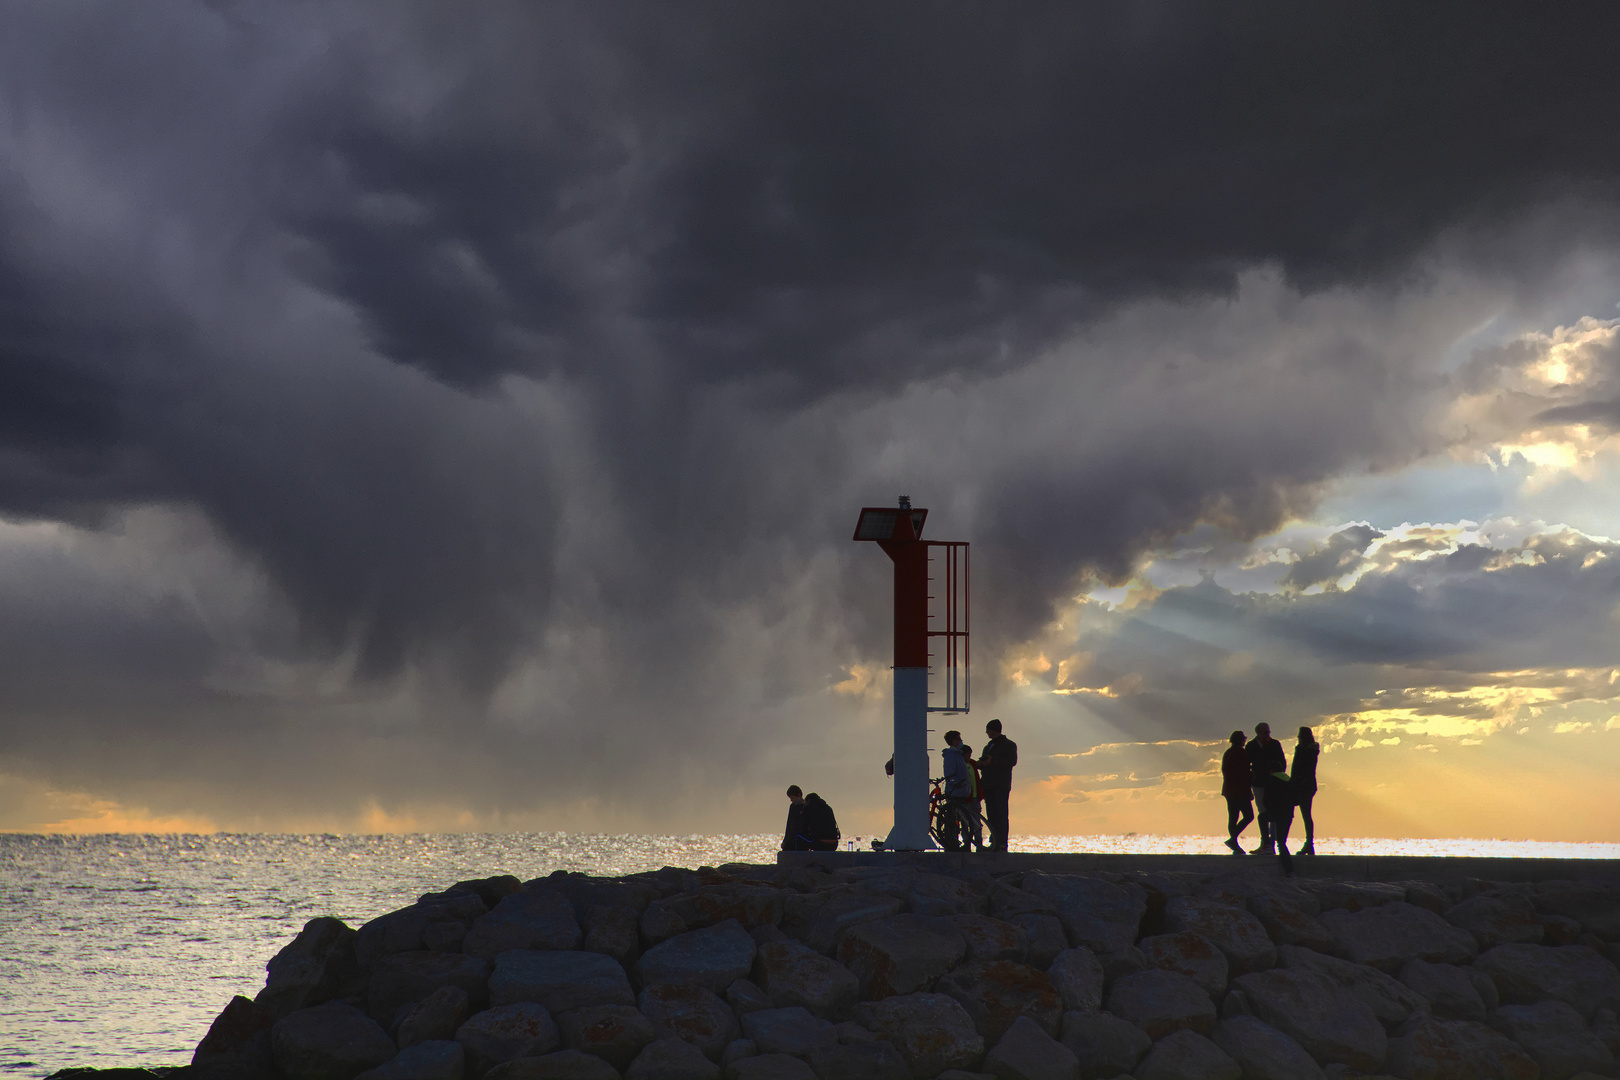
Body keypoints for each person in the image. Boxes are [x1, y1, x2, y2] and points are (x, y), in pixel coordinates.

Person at [1245, 722, 1286, 855]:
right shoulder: (1251, 746)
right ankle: (1266, 844)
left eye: (1268, 732)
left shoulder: (1274, 744)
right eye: (1265, 732)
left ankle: (1271, 844)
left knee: (1271, 813)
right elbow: (1246, 764)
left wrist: (1276, 777)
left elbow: (1282, 763)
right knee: (1262, 812)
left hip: (1273, 785)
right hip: (1258, 784)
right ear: (1258, 732)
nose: (1267, 735)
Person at [978, 718, 1018, 852]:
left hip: (1001, 785)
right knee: (991, 815)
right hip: (988, 785)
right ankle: (994, 841)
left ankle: (1002, 843)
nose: (986, 732)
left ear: (992, 730)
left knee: (1001, 814)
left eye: (987, 730)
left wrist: (992, 761)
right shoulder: (988, 746)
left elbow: (1012, 761)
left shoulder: (1009, 745)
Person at [941, 731, 983, 851]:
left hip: (962, 793)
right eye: (959, 739)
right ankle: (952, 845)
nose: (961, 741)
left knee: (961, 820)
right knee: (953, 821)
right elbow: (949, 774)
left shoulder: (958, 755)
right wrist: (958, 783)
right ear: (953, 741)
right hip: (955, 793)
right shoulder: (951, 756)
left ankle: (960, 844)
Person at [1261, 761, 1298, 877]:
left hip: (1275, 812)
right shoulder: (1290, 781)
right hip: (1287, 815)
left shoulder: (1271, 780)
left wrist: (1271, 808)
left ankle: (1266, 844)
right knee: (1282, 843)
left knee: (1261, 817)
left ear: (1271, 771)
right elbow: (1297, 800)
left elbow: (1265, 800)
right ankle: (1290, 871)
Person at [1221, 731, 1255, 855]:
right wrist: (1252, 775)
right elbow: (1244, 772)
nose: (1245, 741)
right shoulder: (1240, 753)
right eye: (1244, 739)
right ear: (1240, 740)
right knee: (1249, 816)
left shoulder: (1228, 753)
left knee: (1233, 817)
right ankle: (1233, 840)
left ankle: (1233, 842)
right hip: (1239, 790)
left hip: (1229, 790)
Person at [1292, 726, 1320, 855]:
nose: (1298, 738)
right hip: (1305, 785)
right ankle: (1309, 843)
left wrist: (1294, 783)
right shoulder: (1307, 750)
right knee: (1306, 815)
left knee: (1305, 814)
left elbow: (1300, 768)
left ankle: (1309, 843)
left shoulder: (1307, 751)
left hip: (1304, 786)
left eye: (1299, 736)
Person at [782, 785, 809, 851]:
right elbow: (789, 824)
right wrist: (785, 840)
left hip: (802, 839)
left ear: (799, 795)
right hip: (791, 838)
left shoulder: (806, 806)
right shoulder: (792, 806)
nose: (791, 800)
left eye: (792, 798)